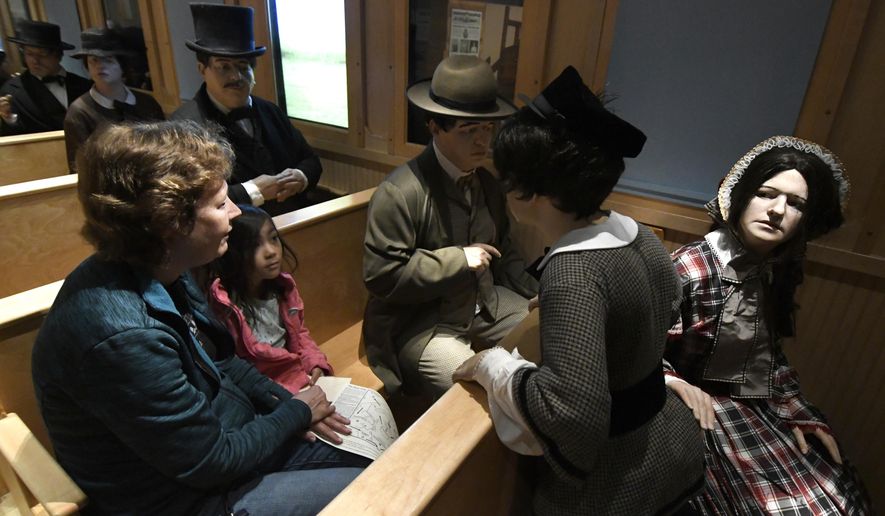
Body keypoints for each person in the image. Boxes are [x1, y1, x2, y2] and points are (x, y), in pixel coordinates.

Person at [31, 120, 368, 516]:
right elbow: (210, 463)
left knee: (361, 452)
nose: (236, 211)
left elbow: (224, 359)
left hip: (221, 445)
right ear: (171, 221)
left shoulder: (164, 268)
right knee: (368, 488)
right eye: (221, 202)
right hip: (181, 499)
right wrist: (296, 413)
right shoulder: (121, 336)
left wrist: (291, 402)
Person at [453, 66, 705, 515]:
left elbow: (573, 412)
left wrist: (492, 364)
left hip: (616, 480)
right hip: (671, 442)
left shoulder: (573, 272)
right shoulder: (637, 231)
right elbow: (658, 307)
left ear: (530, 194)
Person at [664, 136, 873, 514]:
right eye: (765, 193)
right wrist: (673, 380)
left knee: (835, 495)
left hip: (755, 406)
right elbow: (640, 346)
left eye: (795, 204)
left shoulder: (771, 272)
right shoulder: (690, 267)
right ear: (740, 195)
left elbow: (767, 356)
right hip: (694, 415)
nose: (777, 210)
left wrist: (798, 410)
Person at [362, 55, 538, 398]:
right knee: (480, 395)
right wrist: (459, 259)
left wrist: (539, 293)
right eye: (468, 131)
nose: (482, 142)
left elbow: (506, 252)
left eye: (488, 129)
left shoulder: (486, 183)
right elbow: (381, 276)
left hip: (486, 303)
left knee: (545, 332)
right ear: (434, 127)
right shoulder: (400, 192)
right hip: (424, 325)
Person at [172, 3, 323, 216]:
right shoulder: (180, 129)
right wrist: (251, 191)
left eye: (243, 67)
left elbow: (311, 160)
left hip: (293, 226)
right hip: (233, 243)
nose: (236, 77)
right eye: (224, 67)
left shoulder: (271, 111)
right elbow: (187, 203)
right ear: (202, 69)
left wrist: (301, 176)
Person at [209, 204, 332, 394]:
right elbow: (240, 366)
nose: (271, 251)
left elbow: (300, 334)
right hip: (265, 390)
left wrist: (314, 362)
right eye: (255, 245)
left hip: (300, 378)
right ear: (233, 253)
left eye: (273, 238)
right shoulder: (227, 306)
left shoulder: (283, 289)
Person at [64, 27, 165, 172]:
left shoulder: (147, 103)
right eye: (94, 60)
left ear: (123, 65)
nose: (100, 66)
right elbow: (80, 169)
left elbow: (165, 151)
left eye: (108, 60)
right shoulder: (79, 112)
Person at [0, 20, 91, 135]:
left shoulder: (85, 86)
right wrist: (9, 119)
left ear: (59, 55)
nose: (35, 61)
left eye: (42, 54)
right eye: (29, 53)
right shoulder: (11, 91)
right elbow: (12, 140)